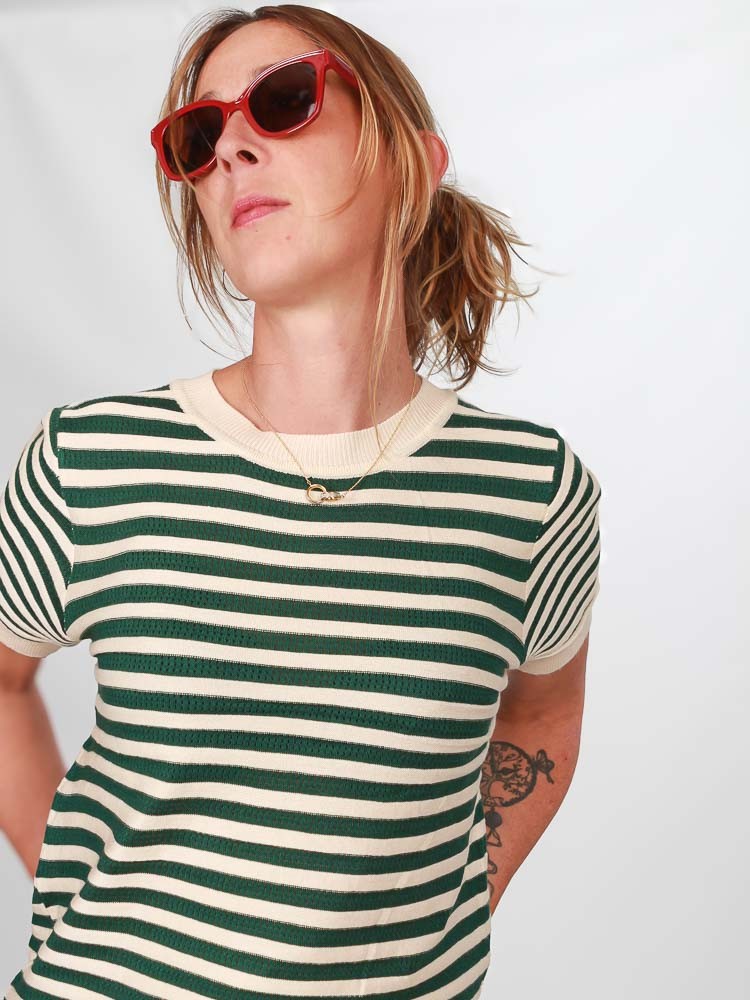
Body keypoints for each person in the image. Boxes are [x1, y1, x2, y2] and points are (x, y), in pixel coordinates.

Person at [1, 5, 602, 998]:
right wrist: (85, 902)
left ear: (411, 161)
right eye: (198, 135)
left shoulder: (529, 492)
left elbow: (545, 712)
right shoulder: (90, 463)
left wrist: (445, 908)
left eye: (283, 101)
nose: (231, 148)